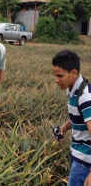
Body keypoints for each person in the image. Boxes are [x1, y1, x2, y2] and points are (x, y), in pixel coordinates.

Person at [52, 50, 91, 186]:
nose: (56, 80)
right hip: (77, 153)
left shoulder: (85, 97)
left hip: (84, 161)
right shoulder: (72, 89)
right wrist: (64, 128)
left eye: (60, 76)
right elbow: (78, 117)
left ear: (74, 73)